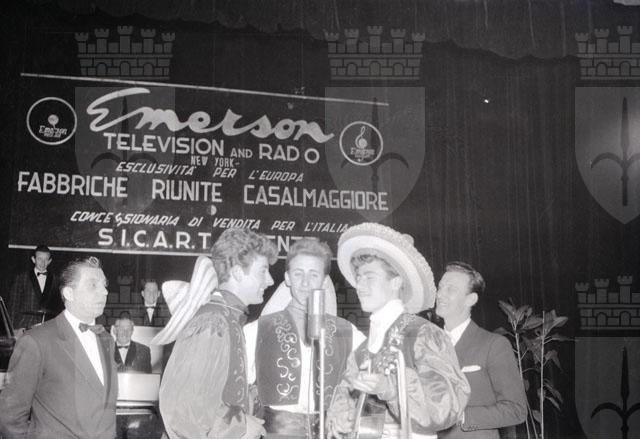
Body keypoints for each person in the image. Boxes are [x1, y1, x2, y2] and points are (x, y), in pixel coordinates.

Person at [327, 223, 470, 439]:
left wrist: (391, 387)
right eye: (359, 278)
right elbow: (345, 403)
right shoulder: (361, 351)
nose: (360, 286)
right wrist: (341, 416)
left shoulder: (422, 334)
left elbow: (446, 407)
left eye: (369, 277)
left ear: (395, 282)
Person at [153, 228, 277, 439]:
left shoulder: (228, 319)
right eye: (262, 271)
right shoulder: (213, 322)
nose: (270, 280)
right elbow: (183, 410)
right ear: (238, 272)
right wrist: (242, 427)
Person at [244, 238, 366, 438]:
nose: (305, 283)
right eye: (298, 273)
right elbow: (236, 392)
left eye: (314, 274)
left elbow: (372, 376)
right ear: (287, 278)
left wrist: (346, 400)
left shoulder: (347, 332)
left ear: (324, 281)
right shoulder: (258, 330)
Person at [0, 256, 118, 439]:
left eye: (104, 285)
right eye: (93, 285)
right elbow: (9, 416)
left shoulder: (107, 339)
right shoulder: (36, 341)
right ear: (69, 293)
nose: (104, 292)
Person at [436, 262, 527, 439]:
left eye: (450, 289)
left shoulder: (494, 345)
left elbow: (516, 410)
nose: (440, 294)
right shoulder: (427, 343)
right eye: (440, 287)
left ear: (471, 299)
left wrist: (461, 417)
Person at [7, 244, 63, 332]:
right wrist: (12, 329)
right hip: (24, 326)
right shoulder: (21, 278)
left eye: (46, 259)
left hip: (47, 327)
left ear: (50, 261)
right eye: (39, 259)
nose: (43, 263)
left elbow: (58, 308)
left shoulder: (56, 280)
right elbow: (13, 306)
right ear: (33, 259)